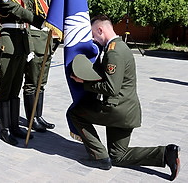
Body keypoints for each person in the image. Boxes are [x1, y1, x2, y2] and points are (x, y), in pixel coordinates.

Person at [68, 15, 180, 181]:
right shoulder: (119, 47)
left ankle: (99, 157)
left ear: (100, 29)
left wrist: (84, 83)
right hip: (127, 111)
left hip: (116, 110)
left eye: (93, 34)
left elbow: (111, 88)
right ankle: (165, 153)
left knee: (75, 113)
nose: (93, 38)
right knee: (118, 156)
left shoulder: (114, 52)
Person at [0, 0, 44, 146]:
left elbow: (29, 10)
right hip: (9, 41)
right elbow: (16, 10)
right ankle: (5, 128)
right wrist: (40, 21)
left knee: (16, 87)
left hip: (22, 41)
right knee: (6, 87)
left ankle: (14, 126)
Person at [23, 0, 56, 133]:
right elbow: (26, 23)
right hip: (36, 44)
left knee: (41, 83)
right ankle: (31, 119)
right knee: (31, 83)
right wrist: (29, 47)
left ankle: (38, 116)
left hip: (46, 45)